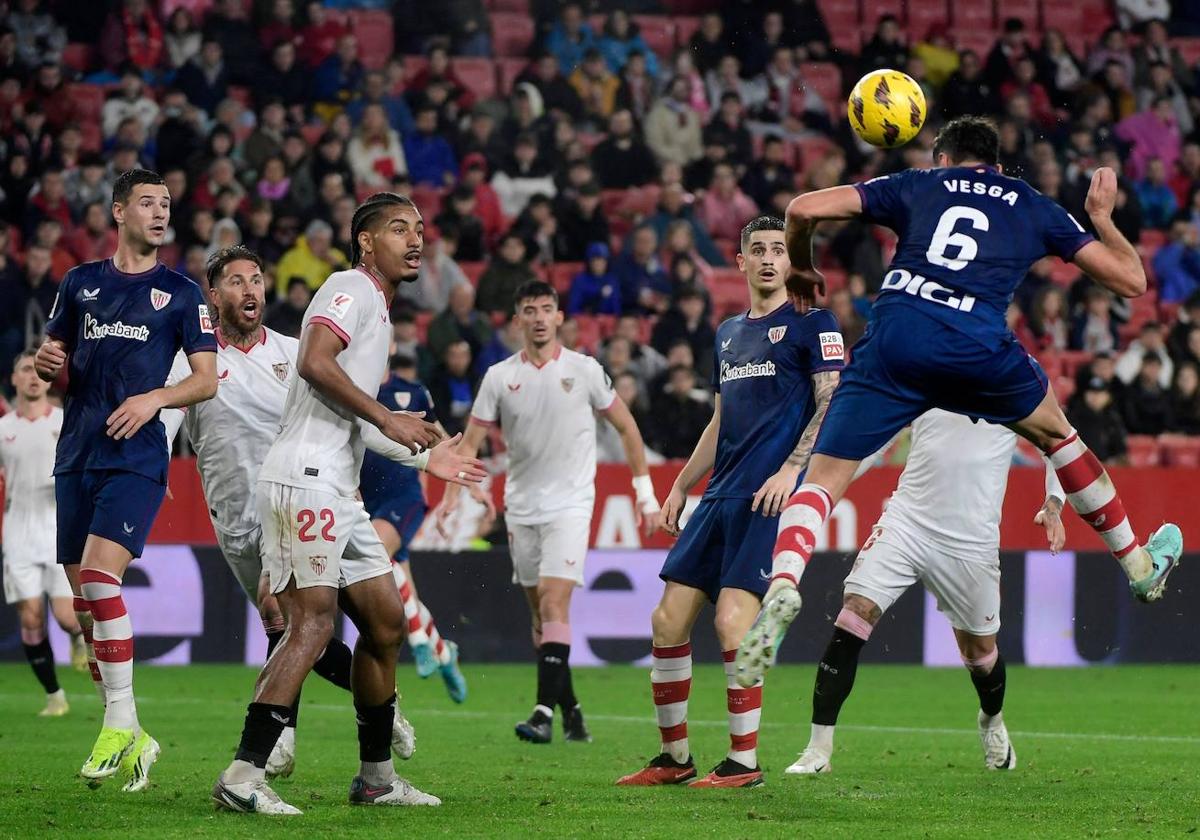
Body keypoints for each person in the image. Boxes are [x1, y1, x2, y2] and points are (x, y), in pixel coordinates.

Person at [736, 116, 1183, 690]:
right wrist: (1100, 219)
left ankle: (783, 581)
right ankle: (1138, 567)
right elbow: (1130, 282)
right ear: (995, 166)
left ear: (943, 159)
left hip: (897, 336)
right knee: (1059, 435)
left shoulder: (919, 183)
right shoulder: (1030, 202)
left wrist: (800, 265)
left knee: (824, 477)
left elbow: (801, 209)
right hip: (976, 346)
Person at [211, 193, 486, 814]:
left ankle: (376, 778)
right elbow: (312, 362)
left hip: (338, 484)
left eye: (418, 229)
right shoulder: (349, 287)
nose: (414, 239)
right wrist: (389, 414)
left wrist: (425, 456)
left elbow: (356, 419)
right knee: (311, 626)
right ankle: (242, 777)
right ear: (366, 241)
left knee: (386, 624)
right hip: (305, 478)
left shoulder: (380, 313)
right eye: (397, 229)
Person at [162, 246, 419, 781]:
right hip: (244, 519)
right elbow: (163, 426)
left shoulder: (292, 349)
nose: (250, 290)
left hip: (310, 494)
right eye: (235, 282)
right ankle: (328, 725)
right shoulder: (195, 362)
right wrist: (149, 478)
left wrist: (423, 451)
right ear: (213, 296)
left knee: (332, 620)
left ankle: (292, 741)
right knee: (301, 622)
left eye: (257, 279)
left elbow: (354, 419)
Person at [616, 217, 845, 789]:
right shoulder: (726, 333)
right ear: (739, 262)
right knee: (667, 620)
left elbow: (831, 401)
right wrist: (680, 483)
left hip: (767, 500)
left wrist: (792, 471)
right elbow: (721, 420)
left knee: (731, 624)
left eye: (778, 250)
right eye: (757, 250)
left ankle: (743, 763)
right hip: (719, 495)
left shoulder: (813, 323)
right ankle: (675, 759)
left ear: (790, 262)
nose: (768, 259)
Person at [34, 168, 219, 791]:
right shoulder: (79, 283)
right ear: (118, 212)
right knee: (86, 612)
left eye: (166, 203)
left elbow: (207, 378)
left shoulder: (183, 292)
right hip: (76, 452)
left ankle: (116, 723)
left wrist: (155, 400)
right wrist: (45, 359)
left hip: (136, 456)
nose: (160, 212)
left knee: (98, 577)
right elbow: (53, 355)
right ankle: (135, 731)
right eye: (147, 202)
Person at [436, 280, 660, 745]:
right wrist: (453, 497)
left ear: (559, 317)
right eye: (529, 310)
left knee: (556, 605)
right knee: (542, 620)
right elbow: (470, 445)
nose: (538, 318)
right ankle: (572, 709)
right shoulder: (499, 377)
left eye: (546, 309)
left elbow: (627, 427)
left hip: (571, 506)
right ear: (517, 320)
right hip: (521, 509)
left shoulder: (585, 370)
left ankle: (542, 713)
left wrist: (645, 495)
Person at [786, 410, 1067, 777]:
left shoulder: (1010, 384)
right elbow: (877, 440)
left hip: (971, 543)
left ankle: (991, 720)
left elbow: (1057, 446)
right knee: (855, 610)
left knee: (980, 655)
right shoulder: (927, 373)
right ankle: (817, 750)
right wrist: (822, 488)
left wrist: (1054, 503)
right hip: (907, 524)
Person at [359, 352, 492, 702]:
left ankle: (419, 642)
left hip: (403, 496)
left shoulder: (411, 391)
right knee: (403, 594)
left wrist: (471, 484)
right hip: (365, 501)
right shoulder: (352, 389)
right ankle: (444, 653)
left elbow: (441, 439)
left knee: (374, 550)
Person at [1, 350, 85, 718]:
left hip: (58, 529)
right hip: (18, 532)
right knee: (31, 618)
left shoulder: (65, 422)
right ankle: (55, 695)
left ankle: (79, 637)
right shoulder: (4, 431)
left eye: (39, 371)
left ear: (48, 379)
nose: (33, 376)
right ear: (15, 380)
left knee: (67, 617)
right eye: (25, 370)